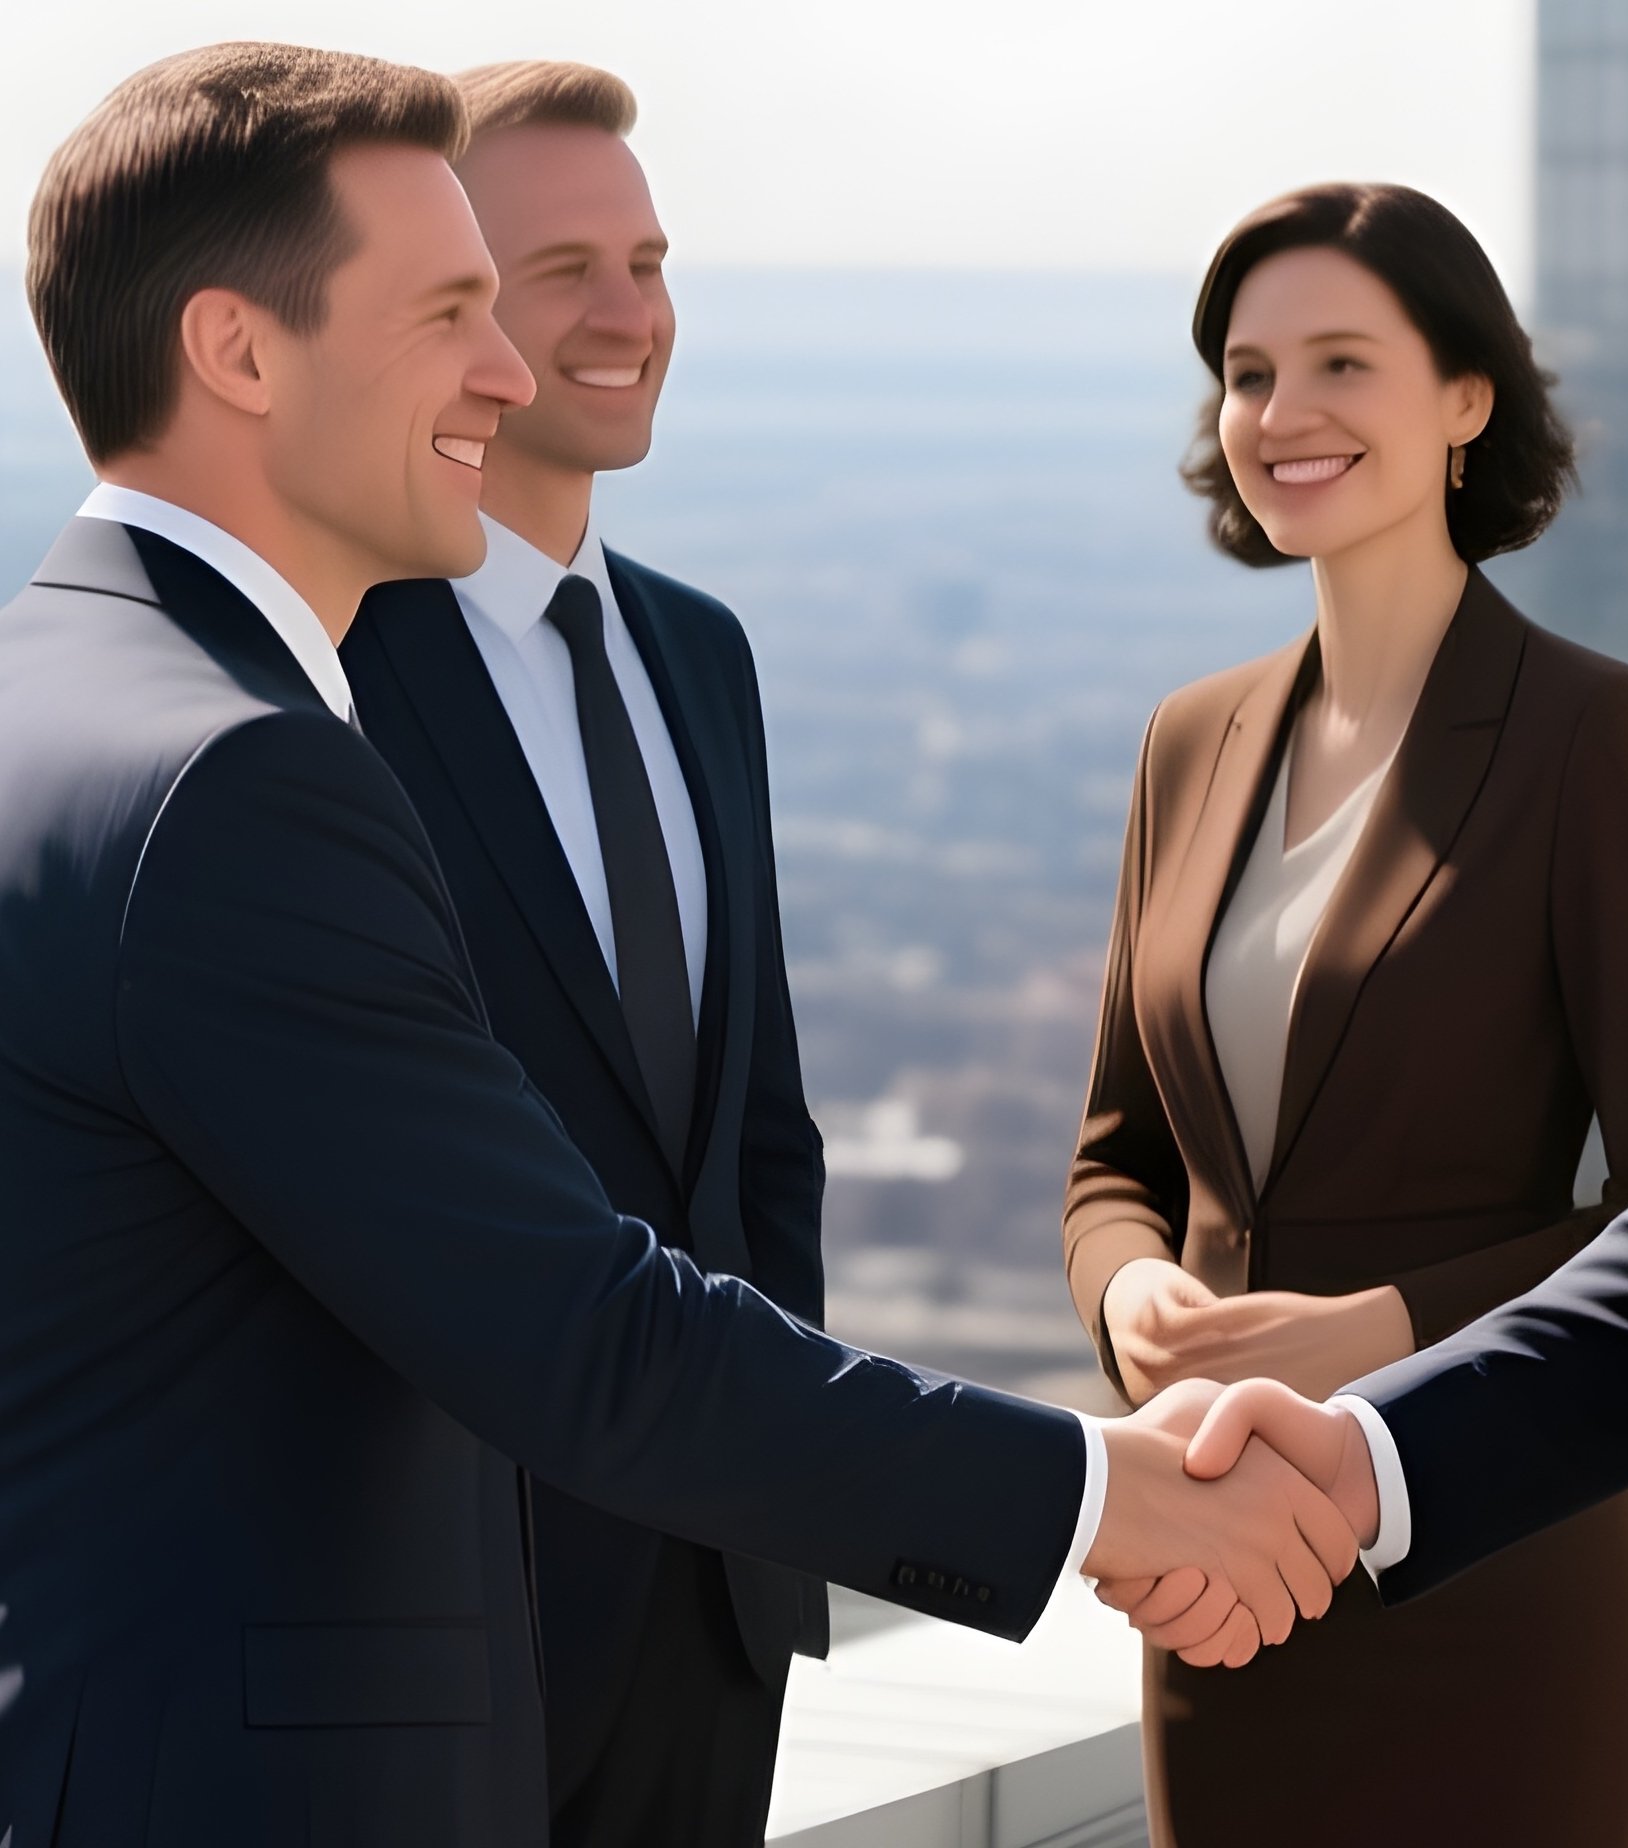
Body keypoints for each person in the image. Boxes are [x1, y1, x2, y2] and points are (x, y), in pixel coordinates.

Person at [0, 43, 1358, 1843]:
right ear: (241, 353)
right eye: (453, 309)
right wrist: (1102, 1495)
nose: (507, 370)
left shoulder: (62, 692)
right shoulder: (245, 778)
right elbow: (577, 1325)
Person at [1114, 0, 1628, 1784]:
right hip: (1244, 1559)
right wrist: (1167, 1322)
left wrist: (1377, 1342)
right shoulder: (1191, 742)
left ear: (1467, 398)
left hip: (1504, 1607)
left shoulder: (1596, 733)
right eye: (1249, 369)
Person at [342, 61, 824, 1845]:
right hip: (443, 1632)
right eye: (564, 273)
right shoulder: (330, 680)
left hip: (717, 1616)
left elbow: (759, 1137)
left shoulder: (704, 658)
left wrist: (794, 1515)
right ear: (448, 313)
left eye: (651, 259)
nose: (631, 316)